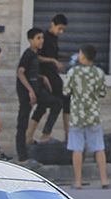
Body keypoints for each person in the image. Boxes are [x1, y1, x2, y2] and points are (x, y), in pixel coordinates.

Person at [64, 44, 109, 189]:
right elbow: (103, 92)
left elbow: (66, 90)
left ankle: (78, 181)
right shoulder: (99, 73)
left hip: (77, 115)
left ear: (83, 56)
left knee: (77, 148)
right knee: (99, 147)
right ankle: (104, 180)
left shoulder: (73, 72)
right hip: (94, 115)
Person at [35, 14, 71, 143]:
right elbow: (37, 57)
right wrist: (53, 61)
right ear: (52, 24)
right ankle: (46, 134)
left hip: (53, 74)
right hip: (47, 76)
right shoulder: (43, 38)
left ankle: (68, 135)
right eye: (59, 28)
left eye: (63, 30)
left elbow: (54, 56)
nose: (61, 32)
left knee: (64, 101)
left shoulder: (55, 39)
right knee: (58, 102)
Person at [14, 28, 48, 164]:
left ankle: (28, 142)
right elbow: (20, 72)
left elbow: (30, 72)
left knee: (45, 105)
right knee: (22, 123)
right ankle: (22, 156)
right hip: (25, 94)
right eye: (38, 38)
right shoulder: (28, 54)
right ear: (30, 40)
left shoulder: (35, 55)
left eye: (42, 38)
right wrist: (30, 91)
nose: (41, 41)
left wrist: (42, 77)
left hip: (32, 92)